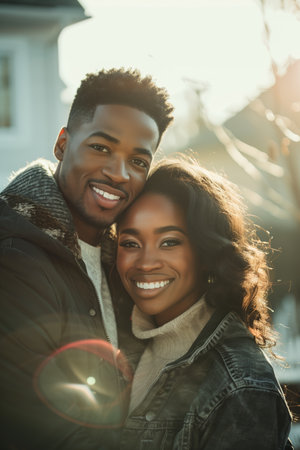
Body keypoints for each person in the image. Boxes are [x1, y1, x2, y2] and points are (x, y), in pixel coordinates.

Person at [0, 68, 173, 449]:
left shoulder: (126, 262)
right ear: (62, 144)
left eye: (138, 162)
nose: (118, 173)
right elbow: (41, 430)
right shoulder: (14, 257)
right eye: (101, 148)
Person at [115, 158, 294, 449]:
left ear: (206, 252)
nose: (145, 263)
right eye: (130, 243)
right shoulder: (112, 335)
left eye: (169, 242)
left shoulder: (241, 385)